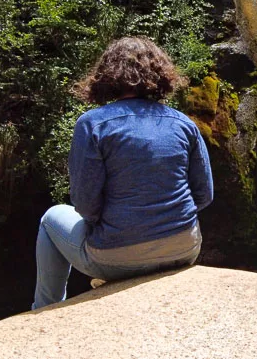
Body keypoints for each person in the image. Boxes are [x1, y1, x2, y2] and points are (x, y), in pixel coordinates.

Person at [32, 36, 213, 309]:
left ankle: (46, 310)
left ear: (107, 75)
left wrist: (120, 227)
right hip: (184, 249)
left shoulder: (92, 124)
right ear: (160, 72)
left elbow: (84, 203)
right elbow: (205, 194)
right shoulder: (183, 122)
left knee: (49, 218)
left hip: (114, 258)